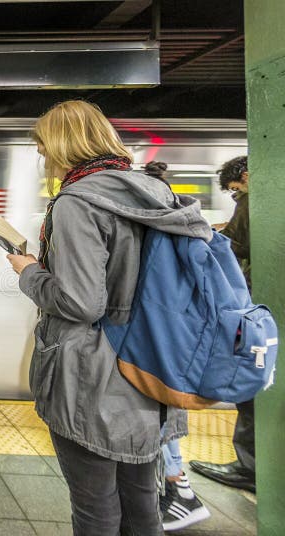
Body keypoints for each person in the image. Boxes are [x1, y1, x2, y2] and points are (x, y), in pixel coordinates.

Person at [6, 101, 212, 535]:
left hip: (95, 379)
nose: (44, 158)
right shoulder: (155, 193)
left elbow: (81, 303)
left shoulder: (78, 202)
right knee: (141, 505)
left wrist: (29, 272)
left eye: (44, 148)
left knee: (95, 509)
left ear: (64, 146)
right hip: (153, 369)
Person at [142, 161, 211, 531]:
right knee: (160, 416)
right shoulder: (183, 227)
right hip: (172, 345)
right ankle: (177, 487)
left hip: (160, 348)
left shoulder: (161, 233)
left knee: (159, 417)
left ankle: (179, 489)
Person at [190, 156, 256, 493]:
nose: (236, 197)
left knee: (250, 389)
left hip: (255, 311)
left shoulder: (252, 199)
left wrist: (208, 235)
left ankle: (250, 468)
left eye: (234, 191)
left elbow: (237, 243)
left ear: (245, 177)